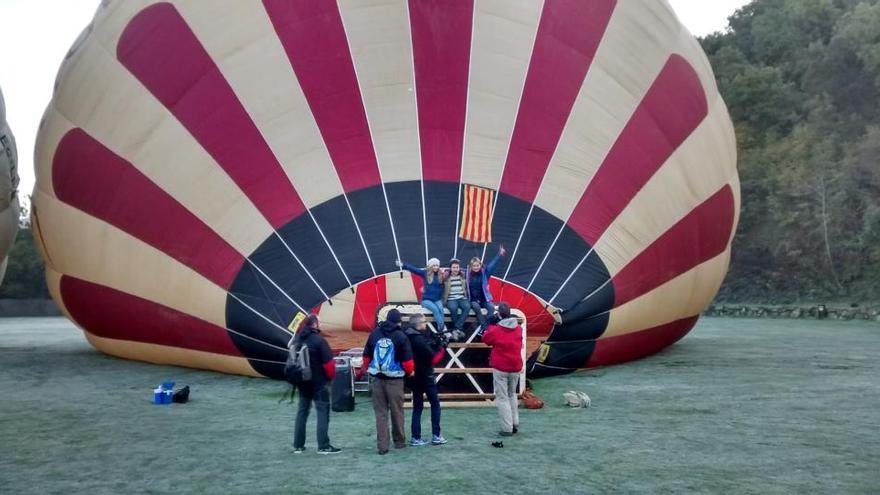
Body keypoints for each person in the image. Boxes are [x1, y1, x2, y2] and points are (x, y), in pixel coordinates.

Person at [358, 309, 414, 455]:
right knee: (397, 412)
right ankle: (399, 442)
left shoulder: (374, 333)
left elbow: (365, 357)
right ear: (398, 321)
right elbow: (408, 363)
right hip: (395, 381)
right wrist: (410, 372)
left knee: (381, 413)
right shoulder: (401, 336)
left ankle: (382, 446)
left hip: (377, 379)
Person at [292, 314, 341, 454]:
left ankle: (298, 445)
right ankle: (323, 446)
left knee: (302, 412)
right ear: (315, 325)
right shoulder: (319, 341)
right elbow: (329, 365)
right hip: (319, 383)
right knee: (322, 412)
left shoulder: (297, 340)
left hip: (302, 383)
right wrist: (331, 379)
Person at [404, 313, 448, 446]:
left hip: (414, 378)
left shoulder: (407, 337)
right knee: (435, 405)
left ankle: (415, 437)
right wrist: (443, 347)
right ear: (418, 324)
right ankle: (436, 435)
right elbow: (433, 358)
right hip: (426, 377)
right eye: (424, 322)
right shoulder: (419, 340)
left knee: (417, 407)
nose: (425, 324)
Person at [482, 303, 523, 437]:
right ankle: (515, 423)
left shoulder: (496, 330)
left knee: (502, 397)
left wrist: (490, 325)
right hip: (515, 366)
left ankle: (507, 428)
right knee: (512, 394)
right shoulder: (518, 329)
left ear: (499, 314)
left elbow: (486, 339)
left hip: (501, 367)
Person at [397, 258, 447, 331]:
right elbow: (414, 270)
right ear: (430, 266)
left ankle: (440, 328)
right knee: (435, 309)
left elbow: (447, 280)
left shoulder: (441, 275)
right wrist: (403, 265)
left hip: (437, 299)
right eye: (434, 265)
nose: (436, 267)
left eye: (437, 265)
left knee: (441, 310)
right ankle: (443, 328)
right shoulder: (425, 273)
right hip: (426, 300)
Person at [467, 245, 507, 329]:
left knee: (491, 307)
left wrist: (499, 255)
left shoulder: (484, 273)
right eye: (474, 266)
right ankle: (484, 327)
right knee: (476, 307)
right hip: (473, 300)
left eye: (477, 265)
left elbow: (493, 265)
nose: (476, 267)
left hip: (484, 299)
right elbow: (454, 271)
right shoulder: (467, 275)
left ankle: (486, 326)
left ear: (480, 265)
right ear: (471, 266)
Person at [443, 258, 470, 333]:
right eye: (453, 267)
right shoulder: (446, 277)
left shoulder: (462, 275)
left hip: (462, 297)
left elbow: (470, 271)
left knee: (467, 307)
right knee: (453, 308)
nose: (455, 269)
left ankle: (457, 327)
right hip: (451, 298)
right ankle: (458, 329)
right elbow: (439, 283)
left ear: (459, 268)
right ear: (450, 268)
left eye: (457, 267)